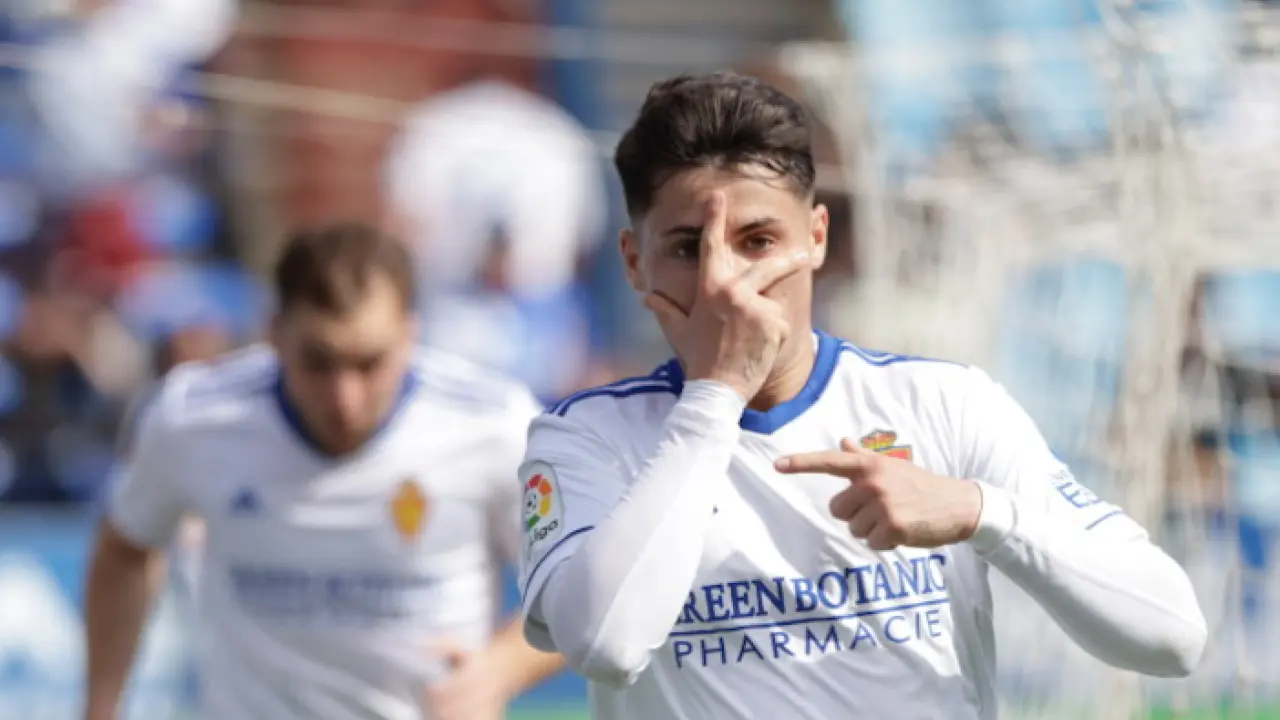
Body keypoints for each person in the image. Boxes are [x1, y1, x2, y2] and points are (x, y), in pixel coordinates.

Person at [515, 72, 1208, 719]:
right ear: (634, 262)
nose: (725, 284)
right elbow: (606, 643)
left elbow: (1173, 637)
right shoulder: (586, 438)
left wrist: (982, 512)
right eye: (689, 249)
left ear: (816, 237)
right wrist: (715, 395)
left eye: (758, 240)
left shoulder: (944, 403)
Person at [83, 221, 563, 720]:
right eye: (319, 362)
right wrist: (101, 707)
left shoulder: (495, 426)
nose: (344, 399)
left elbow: (578, 586)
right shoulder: (194, 417)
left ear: (410, 335)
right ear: (274, 334)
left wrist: (501, 669)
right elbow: (126, 547)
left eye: (369, 363)